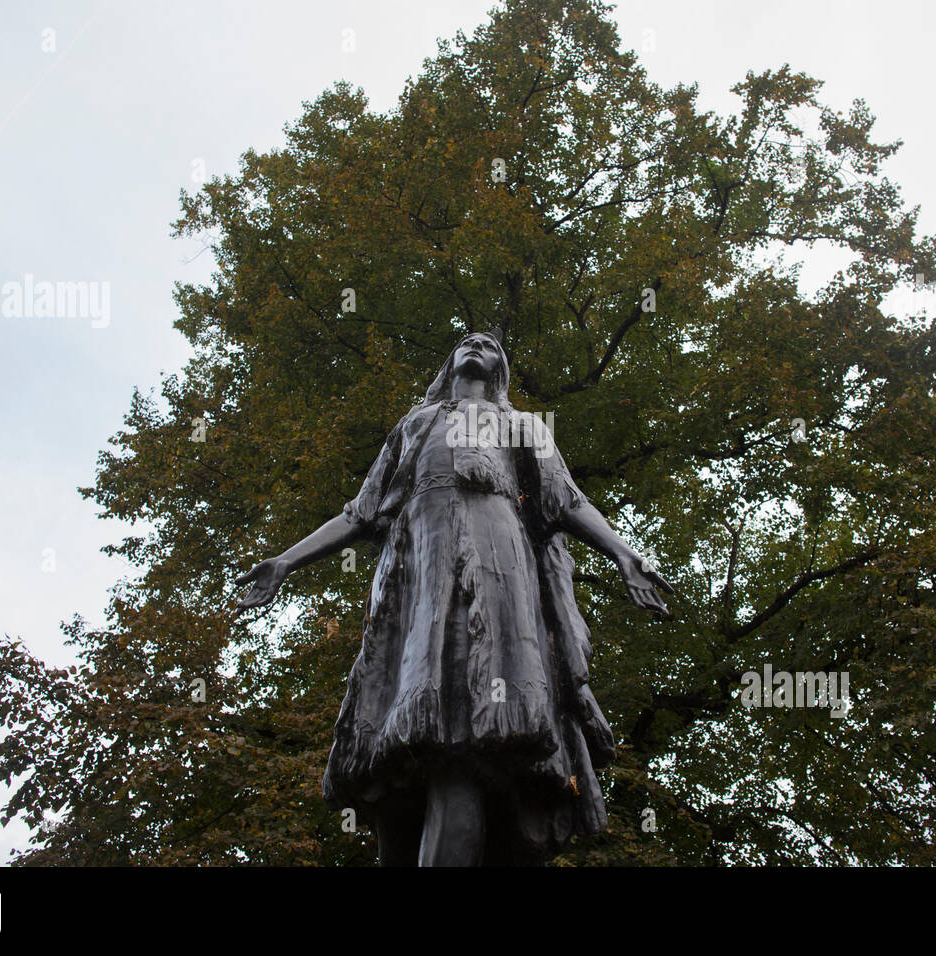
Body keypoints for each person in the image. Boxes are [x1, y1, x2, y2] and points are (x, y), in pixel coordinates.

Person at [235, 330, 672, 865]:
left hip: (498, 562)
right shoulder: (416, 425)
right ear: (450, 361)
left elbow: (566, 500)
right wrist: (285, 561)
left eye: (489, 345)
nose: (476, 346)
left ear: (499, 370)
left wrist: (625, 553)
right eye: (467, 341)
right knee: (415, 720)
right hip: (418, 572)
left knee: (474, 722)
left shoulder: (520, 425)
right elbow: (360, 512)